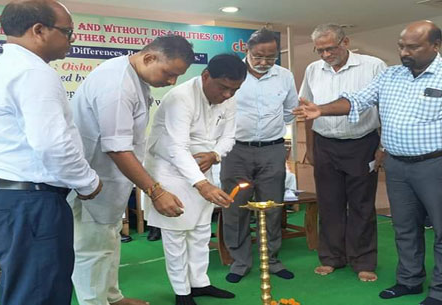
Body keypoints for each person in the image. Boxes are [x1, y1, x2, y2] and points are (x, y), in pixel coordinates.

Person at [293, 20, 442, 305]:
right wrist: (321, 109)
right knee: (404, 227)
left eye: (412, 46)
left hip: (437, 165)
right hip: (397, 166)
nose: (404, 52)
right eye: (401, 46)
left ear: (435, 46)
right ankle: (409, 280)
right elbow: (357, 100)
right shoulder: (391, 75)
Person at [0, 1, 103, 304]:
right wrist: (87, 182)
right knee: (39, 292)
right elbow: (52, 144)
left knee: (28, 288)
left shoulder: (11, 66)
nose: (73, 40)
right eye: (68, 32)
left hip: (14, 197)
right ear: (39, 30)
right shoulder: (33, 71)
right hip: (29, 200)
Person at [69, 35, 194, 305]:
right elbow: (117, 148)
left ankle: (112, 297)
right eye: (169, 73)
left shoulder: (135, 78)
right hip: (92, 182)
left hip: (111, 181)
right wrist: (156, 191)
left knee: (109, 242)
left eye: (177, 76)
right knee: (93, 250)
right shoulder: (117, 84)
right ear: (149, 57)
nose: (172, 82)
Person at [144, 54, 246, 305]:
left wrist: (215, 154)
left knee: (201, 231)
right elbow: (177, 148)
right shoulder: (181, 97)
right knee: (177, 233)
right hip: (169, 168)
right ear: (205, 76)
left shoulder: (229, 98)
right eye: (223, 87)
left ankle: (199, 283)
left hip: (203, 165)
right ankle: (182, 292)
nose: (227, 95)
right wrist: (202, 184)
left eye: (234, 89)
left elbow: (230, 137)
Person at [298, 23, 387, 282]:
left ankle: (363, 261)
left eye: (330, 48)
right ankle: (331, 257)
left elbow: (386, 108)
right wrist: (311, 147)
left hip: (362, 143)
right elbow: (307, 110)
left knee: (361, 205)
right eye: (320, 50)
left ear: (345, 42)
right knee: (329, 203)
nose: (325, 55)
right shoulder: (313, 69)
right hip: (325, 144)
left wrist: (383, 147)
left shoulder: (373, 66)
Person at [220, 28, 299, 283]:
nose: (264, 62)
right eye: (258, 57)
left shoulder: (284, 76)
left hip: (272, 150)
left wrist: (273, 133)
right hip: (235, 150)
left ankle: (272, 260)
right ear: (247, 51)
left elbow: (290, 111)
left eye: (271, 57)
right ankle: (240, 262)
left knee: (272, 207)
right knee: (236, 207)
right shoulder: (233, 74)